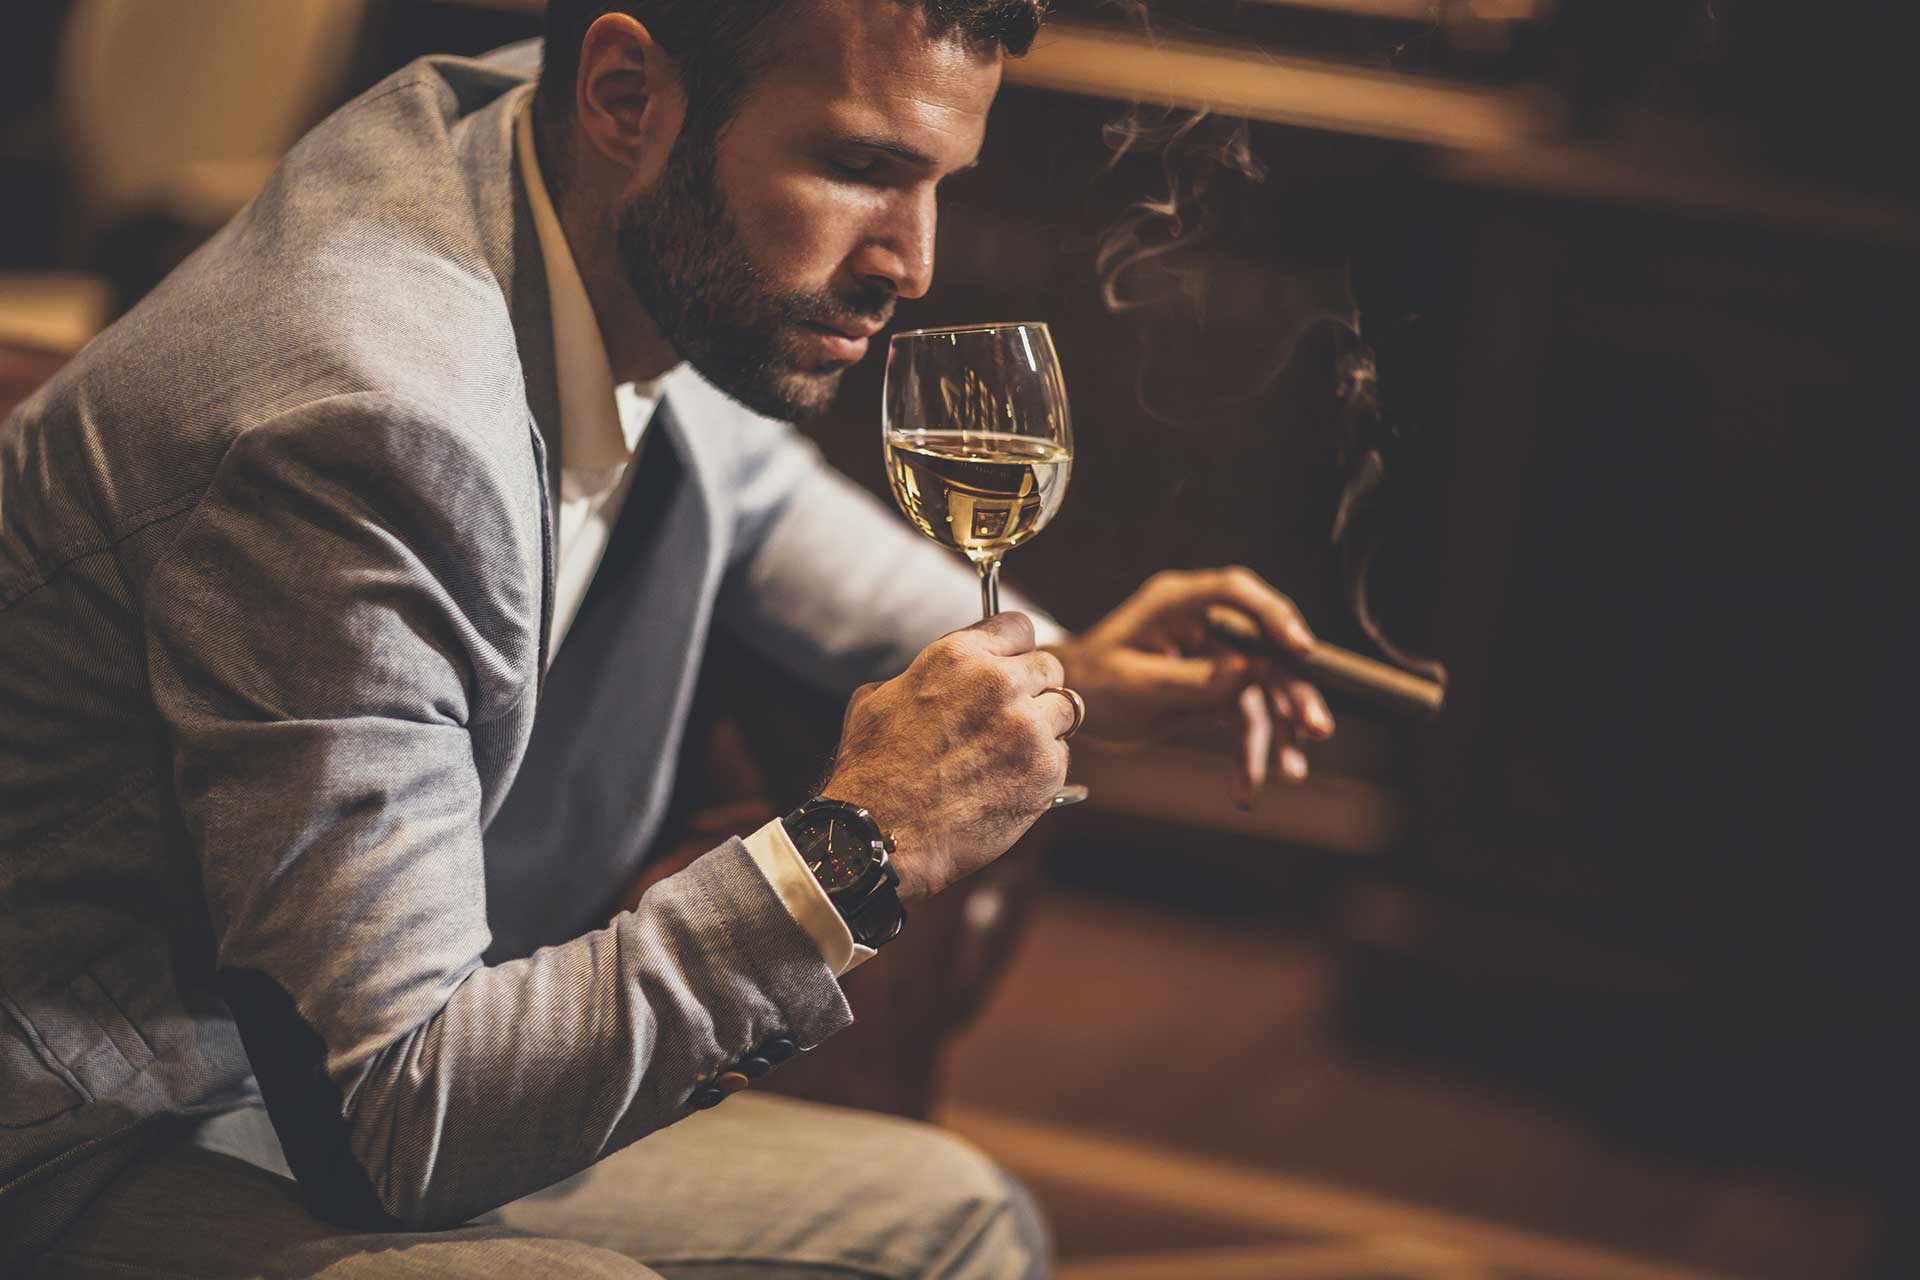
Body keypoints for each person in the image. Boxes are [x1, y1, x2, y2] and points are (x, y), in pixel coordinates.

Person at [0, 1, 1335, 1274]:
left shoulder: (596, 185)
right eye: (863, 166)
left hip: (267, 1079)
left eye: (938, 179)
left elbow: (758, 500)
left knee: (950, 1217)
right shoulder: (364, 420)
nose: (912, 263)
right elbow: (395, 1122)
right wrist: (851, 852)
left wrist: (1068, 667)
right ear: (627, 95)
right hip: (78, 1131)